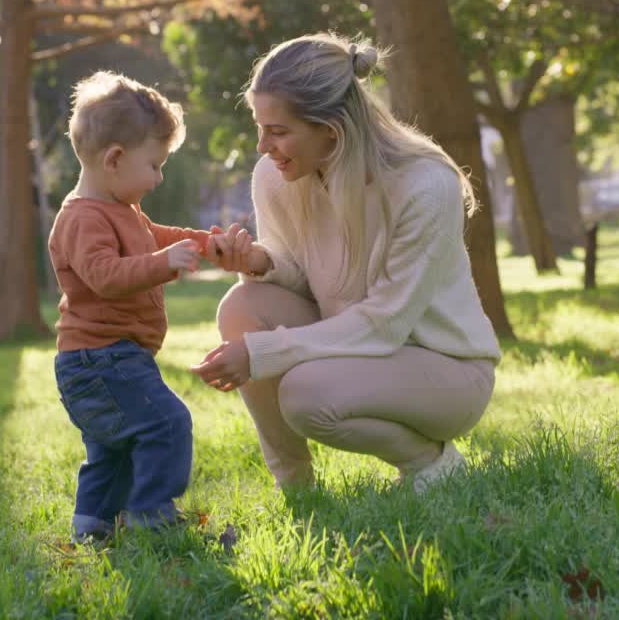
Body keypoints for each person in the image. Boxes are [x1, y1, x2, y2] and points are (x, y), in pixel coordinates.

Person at [191, 33, 502, 493]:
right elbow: (309, 278)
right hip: (355, 346)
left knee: (304, 394)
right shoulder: (277, 176)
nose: (262, 146)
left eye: (277, 131)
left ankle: (432, 464)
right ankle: (296, 489)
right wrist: (259, 261)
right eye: (260, 127)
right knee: (241, 306)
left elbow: (384, 323)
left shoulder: (424, 185)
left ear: (331, 130)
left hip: (446, 371)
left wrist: (259, 354)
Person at [48, 71, 218, 542]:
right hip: (99, 359)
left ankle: (93, 528)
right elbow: (104, 276)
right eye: (156, 165)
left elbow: (154, 237)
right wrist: (164, 264)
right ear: (116, 159)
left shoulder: (120, 208)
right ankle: (151, 518)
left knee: (112, 450)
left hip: (107, 358)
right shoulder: (83, 218)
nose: (160, 177)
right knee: (167, 423)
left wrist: (204, 243)